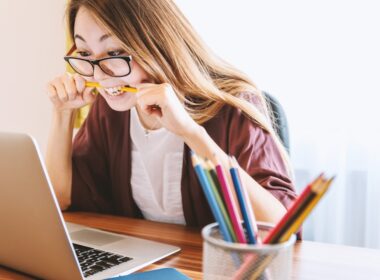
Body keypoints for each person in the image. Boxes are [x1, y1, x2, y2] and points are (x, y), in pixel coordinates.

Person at [46, 0, 297, 227]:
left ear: (157, 44)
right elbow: (60, 198)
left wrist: (190, 132)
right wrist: (63, 114)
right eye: (85, 53)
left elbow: (279, 227)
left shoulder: (233, 106)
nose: (99, 75)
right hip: (145, 264)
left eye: (115, 53)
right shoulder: (110, 110)